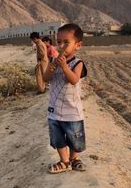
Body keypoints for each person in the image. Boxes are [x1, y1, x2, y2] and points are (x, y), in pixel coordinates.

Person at [42, 23, 87, 174]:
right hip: (54, 110)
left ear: (78, 45)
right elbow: (45, 78)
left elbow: (73, 79)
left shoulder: (78, 63)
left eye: (66, 42)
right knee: (58, 138)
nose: (61, 46)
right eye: (58, 42)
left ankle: (74, 158)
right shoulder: (54, 62)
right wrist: (52, 66)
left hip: (72, 111)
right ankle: (64, 161)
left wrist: (64, 67)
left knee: (75, 138)